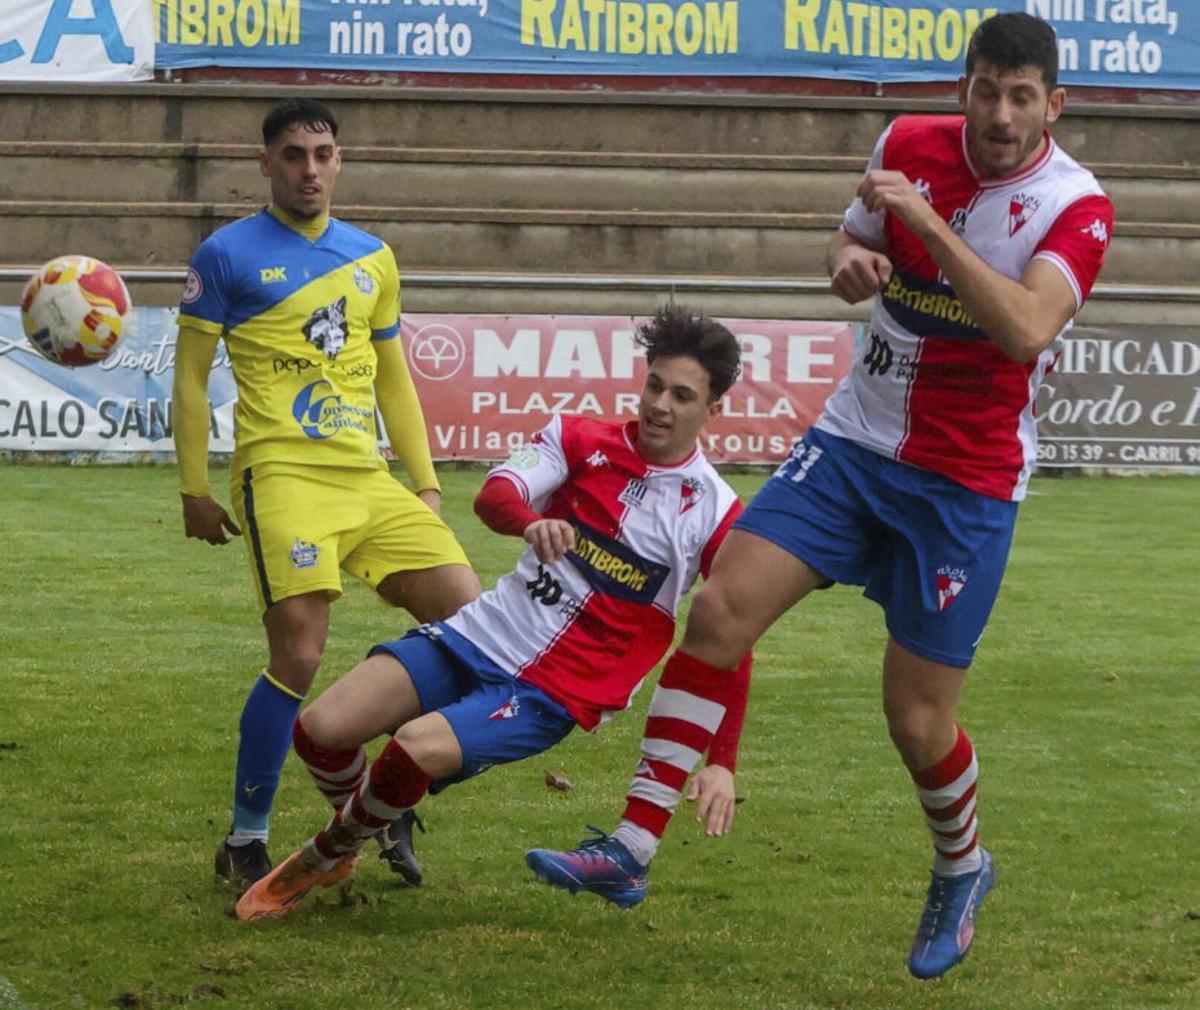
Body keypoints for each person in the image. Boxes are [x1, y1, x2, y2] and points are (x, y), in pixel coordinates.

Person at [526, 12, 1113, 981]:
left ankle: (962, 865)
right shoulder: (906, 144)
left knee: (917, 719)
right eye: (986, 90)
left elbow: (1024, 327)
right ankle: (628, 850)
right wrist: (847, 260)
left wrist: (926, 225)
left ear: (1054, 105)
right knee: (717, 608)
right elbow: (852, 243)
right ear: (963, 86)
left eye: (1023, 97)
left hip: (963, 485)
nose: (1001, 114)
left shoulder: (1074, 205)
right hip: (853, 443)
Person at [232, 306, 753, 922]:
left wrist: (721, 762)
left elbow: (733, 640)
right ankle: (379, 814)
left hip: (557, 691)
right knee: (320, 729)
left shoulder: (718, 512)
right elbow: (494, 494)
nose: (660, 405)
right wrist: (533, 522)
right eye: (655, 385)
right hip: (477, 635)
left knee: (412, 749)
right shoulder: (577, 439)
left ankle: (331, 851)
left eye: (683, 396)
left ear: (713, 410)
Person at [172, 98, 480, 891]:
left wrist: (425, 482)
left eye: (322, 154)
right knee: (299, 656)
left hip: (368, 480)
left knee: (472, 623)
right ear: (266, 163)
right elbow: (191, 376)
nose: (309, 169)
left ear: (339, 160)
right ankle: (246, 838)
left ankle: (376, 794)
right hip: (283, 477)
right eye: (293, 155)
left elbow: (393, 377)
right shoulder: (227, 255)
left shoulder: (373, 256)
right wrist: (195, 489)